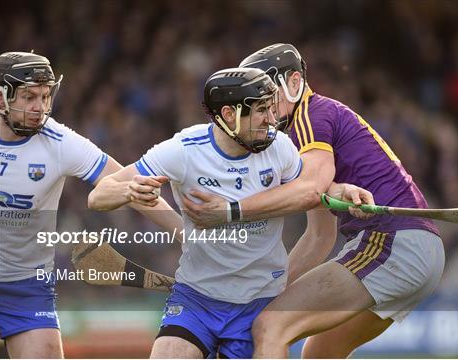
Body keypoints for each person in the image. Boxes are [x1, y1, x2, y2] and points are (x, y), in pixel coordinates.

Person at [182, 43, 445, 358]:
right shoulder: (300, 138)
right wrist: (270, 288)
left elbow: (309, 190)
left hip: (392, 241)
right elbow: (320, 236)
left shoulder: (310, 114)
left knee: (270, 326)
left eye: (266, 95)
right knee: (321, 351)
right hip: (417, 249)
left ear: (294, 83)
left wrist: (229, 212)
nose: (260, 109)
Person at [89, 67, 312, 358]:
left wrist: (340, 190)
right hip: (197, 300)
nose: (271, 120)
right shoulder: (184, 150)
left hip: (260, 304)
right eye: (260, 111)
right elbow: (99, 195)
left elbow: (309, 190)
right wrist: (129, 191)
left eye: (270, 109)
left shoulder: (280, 148)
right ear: (229, 114)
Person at [0, 51, 180, 358]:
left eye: (45, 96)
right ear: (0, 98)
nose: (39, 108)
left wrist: (188, 235)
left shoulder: (59, 142)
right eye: (29, 97)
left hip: (27, 287)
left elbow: (128, 186)